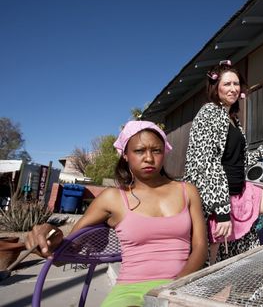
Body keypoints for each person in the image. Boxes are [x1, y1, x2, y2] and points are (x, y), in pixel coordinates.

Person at [26, 121, 207, 307]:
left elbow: (201, 245)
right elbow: (66, 254)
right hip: (130, 294)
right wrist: (50, 237)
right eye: (139, 151)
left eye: (156, 150)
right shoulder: (113, 198)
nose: (149, 158)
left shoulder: (187, 191)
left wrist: (175, 288)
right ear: (125, 155)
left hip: (182, 288)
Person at [184, 60, 263, 264]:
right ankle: (205, 288)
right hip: (215, 196)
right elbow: (208, 164)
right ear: (216, 88)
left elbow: (238, 161)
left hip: (240, 190)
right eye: (227, 84)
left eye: (236, 84)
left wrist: (262, 153)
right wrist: (222, 210)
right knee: (212, 253)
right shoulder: (209, 112)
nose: (233, 88)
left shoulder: (233, 118)